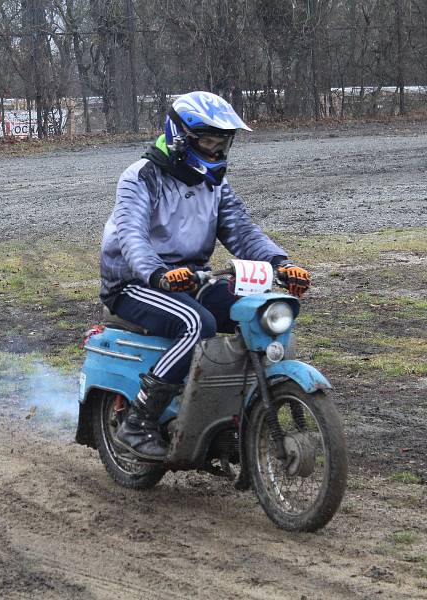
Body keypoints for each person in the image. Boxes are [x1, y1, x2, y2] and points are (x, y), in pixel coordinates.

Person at [99, 91, 311, 461]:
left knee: (257, 312)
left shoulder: (214, 183)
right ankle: (139, 420)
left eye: (221, 142)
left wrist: (280, 263)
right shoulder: (141, 177)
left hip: (191, 279)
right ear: (182, 137)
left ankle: (231, 413)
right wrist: (159, 274)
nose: (215, 151)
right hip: (134, 283)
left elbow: (241, 231)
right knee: (197, 323)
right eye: (208, 141)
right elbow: (130, 237)